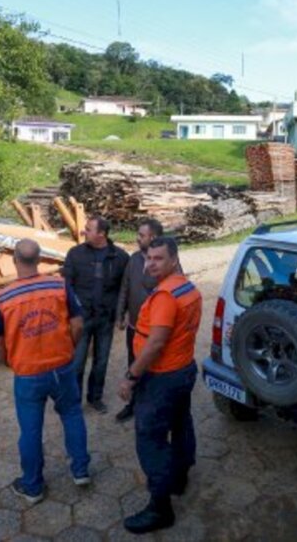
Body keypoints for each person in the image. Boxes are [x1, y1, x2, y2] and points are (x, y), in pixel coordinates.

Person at [0, 238, 90, 505]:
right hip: (62, 367)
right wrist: (69, 348)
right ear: (40, 260)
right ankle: (80, 471)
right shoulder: (59, 285)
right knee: (72, 414)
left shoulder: (4, 298)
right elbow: (78, 324)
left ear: (14, 260)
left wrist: (11, 362)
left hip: (28, 374)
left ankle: (32, 487)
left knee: (31, 431)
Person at [117, 237, 201, 534]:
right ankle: (180, 476)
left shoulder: (165, 296)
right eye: (148, 258)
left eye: (158, 259)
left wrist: (130, 376)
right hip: (183, 370)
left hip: (162, 377)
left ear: (174, 259)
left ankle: (160, 507)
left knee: (150, 438)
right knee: (180, 423)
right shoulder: (187, 287)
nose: (151, 263)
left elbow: (155, 343)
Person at [63, 216, 129, 414]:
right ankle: (72, 402)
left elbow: (124, 289)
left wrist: (121, 314)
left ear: (102, 234)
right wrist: (70, 314)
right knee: (77, 364)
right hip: (82, 319)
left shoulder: (120, 257)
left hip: (105, 320)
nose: (84, 232)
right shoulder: (75, 254)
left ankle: (95, 398)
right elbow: (66, 287)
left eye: (89, 229)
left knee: (101, 362)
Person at [114, 218, 166, 422]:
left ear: (153, 237)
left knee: (155, 367)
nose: (137, 238)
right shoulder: (134, 259)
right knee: (133, 364)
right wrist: (120, 315)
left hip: (155, 330)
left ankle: (154, 407)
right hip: (134, 327)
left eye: (141, 235)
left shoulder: (167, 262)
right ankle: (133, 405)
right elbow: (125, 288)